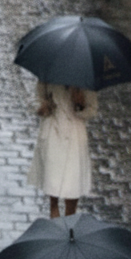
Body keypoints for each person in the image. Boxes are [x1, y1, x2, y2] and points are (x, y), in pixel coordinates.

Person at [27, 83, 98, 218]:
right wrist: (43, 107)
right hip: (53, 133)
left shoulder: (85, 81)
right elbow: (38, 99)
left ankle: (69, 226)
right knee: (52, 186)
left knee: (73, 187)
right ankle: (55, 223)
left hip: (75, 137)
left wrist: (80, 104)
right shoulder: (48, 75)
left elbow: (92, 110)